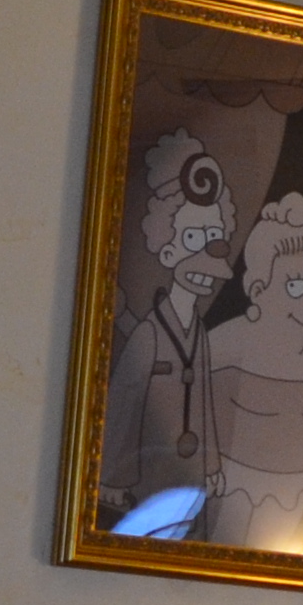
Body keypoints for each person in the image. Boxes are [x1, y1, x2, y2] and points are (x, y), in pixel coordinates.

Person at [100, 130, 234, 520]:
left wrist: (211, 465)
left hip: (188, 482)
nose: (209, 249)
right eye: (194, 236)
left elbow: (204, 401)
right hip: (147, 482)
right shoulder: (148, 335)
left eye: (214, 236)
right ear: (169, 249)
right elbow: (123, 406)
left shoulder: (199, 332)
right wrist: (112, 479)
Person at [199, 195, 303, 549]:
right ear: (258, 290)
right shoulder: (230, 340)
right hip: (236, 482)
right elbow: (188, 392)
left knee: (271, 558)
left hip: (294, 487)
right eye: (296, 286)